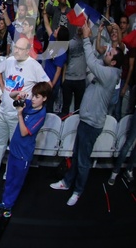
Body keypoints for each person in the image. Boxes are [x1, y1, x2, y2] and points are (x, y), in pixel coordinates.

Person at [50, 22, 123, 206]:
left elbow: (90, 61)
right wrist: (90, 36)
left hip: (92, 125)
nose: (107, 51)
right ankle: (67, 182)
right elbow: (96, 59)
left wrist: (85, 39)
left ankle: (78, 191)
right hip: (86, 121)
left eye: (111, 53)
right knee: (76, 156)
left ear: (114, 62)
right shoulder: (106, 68)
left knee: (83, 161)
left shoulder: (111, 74)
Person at [0, 36, 50, 178]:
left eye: (20, 49)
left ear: (28, 50)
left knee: (14, 146)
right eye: (15, 47)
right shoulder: (10, 60)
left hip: (18, 114)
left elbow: (48, 85)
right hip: (3, 109)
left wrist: (32, 99)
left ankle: (8, 174)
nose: (16, 51)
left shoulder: (34, 65)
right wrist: (2, 86)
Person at [0, 81, 51, 216]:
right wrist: (19, 94)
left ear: (45, 98)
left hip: (23, 154)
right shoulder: (30, 104)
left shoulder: (41, 115)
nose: (33, 99)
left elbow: (25, 132)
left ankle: (8, 206)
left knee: (16, 182)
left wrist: (19, 114)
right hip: (14, 148)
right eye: (33, 95)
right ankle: (5, 202)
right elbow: (12, 96)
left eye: (37, 97)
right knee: (9, 179)